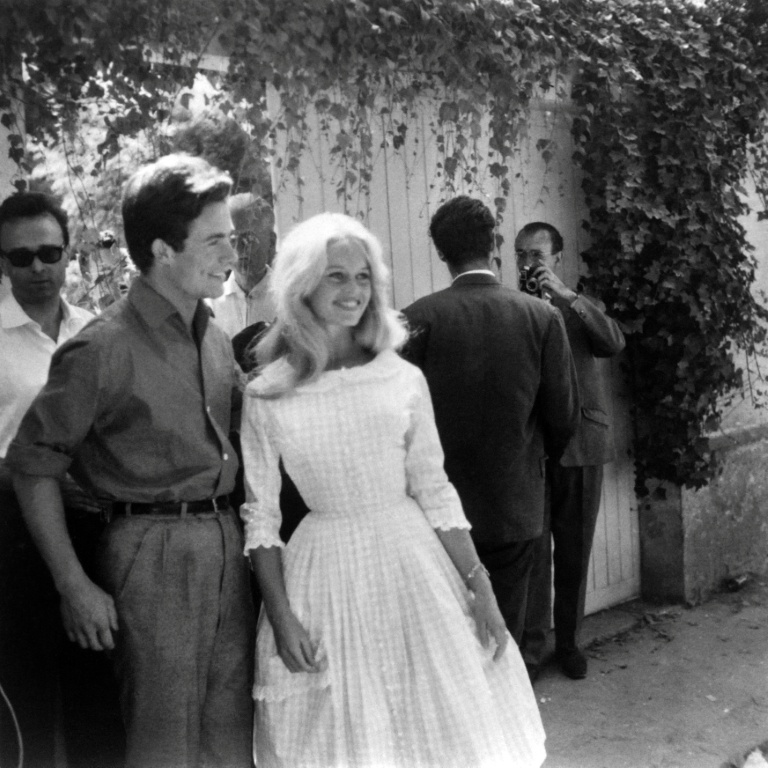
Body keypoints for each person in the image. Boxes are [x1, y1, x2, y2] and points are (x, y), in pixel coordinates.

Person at [240, 211, 546, 768]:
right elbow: (260, 517)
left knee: (436, 727)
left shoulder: (400, 377)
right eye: (336, 276)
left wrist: (480, 587)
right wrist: (281, 616)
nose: (353, 290)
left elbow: (434, 488)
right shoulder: (268, 393)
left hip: (413, 564)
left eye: (363, 278)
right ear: (302, 283)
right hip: (324, 576)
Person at [6, 154, 255, 768]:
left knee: (229, 737)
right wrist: (74, 585)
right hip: (150, 555)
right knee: (162, 743)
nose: (231, 253)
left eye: (232, 237)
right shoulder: (101, 346)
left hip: (227, 542)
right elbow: (33, 465)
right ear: (163, 250)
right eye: (215, 240)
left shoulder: (214, 335)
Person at [401, 196, 580, 647]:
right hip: (514, 506)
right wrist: (528, 464)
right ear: (494, 244)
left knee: (449, 645)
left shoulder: (416, 319)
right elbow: (564, 418)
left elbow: (398, 424)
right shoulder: (542, 316)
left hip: (438, 516)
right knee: (507, 642)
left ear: (442, 253)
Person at [0, 192, 125, 768]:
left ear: (68, 252)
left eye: (49, 252)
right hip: (11, 537)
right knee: (26, 707)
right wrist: (40, 474)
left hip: (91, 532)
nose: (38, 269)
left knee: (95, 699)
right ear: (2, 261)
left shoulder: (93, 331)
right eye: (21, 257)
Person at [517, 222, 626, 681]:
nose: (529, 264)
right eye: (521, 255)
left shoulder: (583, 306)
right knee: (536, 557)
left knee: (575, 553)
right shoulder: (513, 309)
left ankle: (569, 643)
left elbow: (612, 341)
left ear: (557, 258)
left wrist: (565, 295)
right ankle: (535, 648)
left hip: (582, 445)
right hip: (535, 453)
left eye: (537, 256)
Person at [207, 192, 277, 338]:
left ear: (271, 242)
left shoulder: (289, 301)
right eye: (232, 240)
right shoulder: (209, 307)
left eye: (248, 239)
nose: (239, 249)